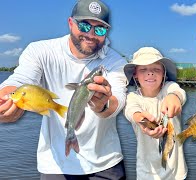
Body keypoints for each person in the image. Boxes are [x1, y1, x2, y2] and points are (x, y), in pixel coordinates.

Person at [0, 0, 127, 179]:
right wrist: (7, 97)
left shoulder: (116, 62)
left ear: (106, 33)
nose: (90, 34)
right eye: (84, 25)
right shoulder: (40, 51)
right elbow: (21, 79)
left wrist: (103, 105)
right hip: (55, 165)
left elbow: (119, 99)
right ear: (70, 23)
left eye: (99, 29)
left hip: (106, 163)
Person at [123, 47, 188, 179]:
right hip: (146, 173)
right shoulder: (132, 97)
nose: (150, 73)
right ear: (135, 74)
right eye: (143, 69)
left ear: (164, 73)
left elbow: (179, 92)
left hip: (176, 174)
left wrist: (174, 97)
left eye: (156, 69)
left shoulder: (169, 87)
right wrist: (140, 118)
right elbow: (131, 111)